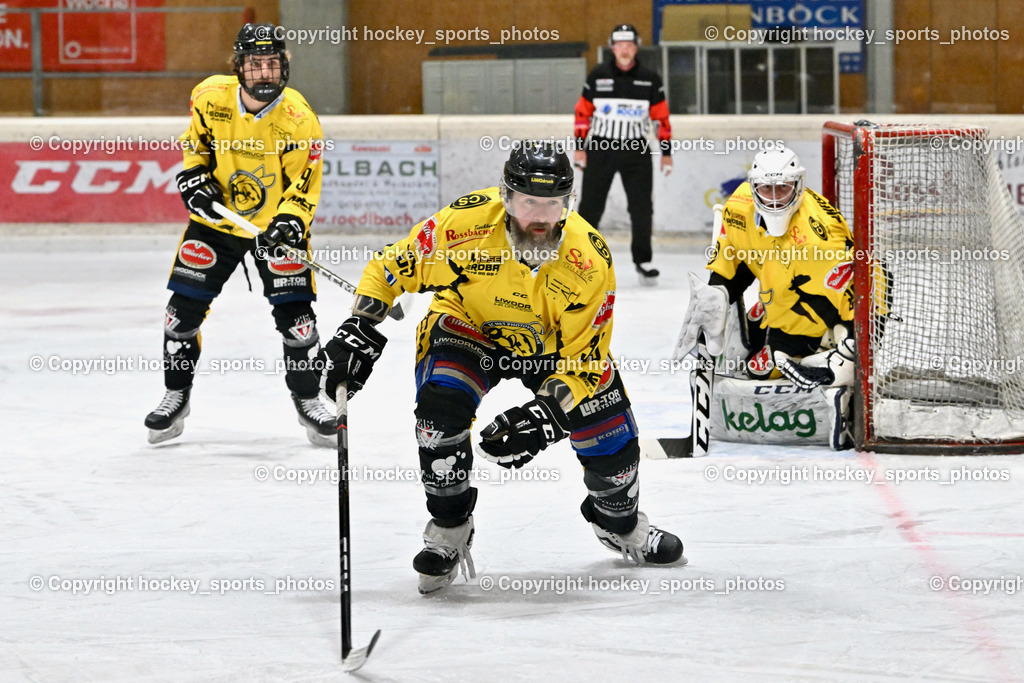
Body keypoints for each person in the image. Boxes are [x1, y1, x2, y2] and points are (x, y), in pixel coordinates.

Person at [317, 141, 685, 594]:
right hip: (469, 327)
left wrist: (548, 414)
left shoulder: (589, 260)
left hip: (553, 346)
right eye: (529, 201)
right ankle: (449, 529)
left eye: (552, 203)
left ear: (568, 203)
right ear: (506, 198)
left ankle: (620, 524)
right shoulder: (464, 226)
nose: (540, 216)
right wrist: (358, 329)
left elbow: (585, 359)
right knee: (439, 413)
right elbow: (391, 267)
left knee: (609, 436)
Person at [144, 23, 335, 447]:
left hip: (274, 230)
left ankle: (309, 399)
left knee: (298, 322)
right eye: (254, 64)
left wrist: (288, 223)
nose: (264, 73)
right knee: (180, 314)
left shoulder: (299, 119)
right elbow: (196, 144)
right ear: (238, 66)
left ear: (284, 66)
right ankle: (176, 395)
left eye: (272, 64)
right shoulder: (209, 97)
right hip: (215, 224)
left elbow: (304, 188)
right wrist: (193, 175)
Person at [675, 146, 857, 450]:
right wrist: (716, 296)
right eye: (766, 188)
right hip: (780, 296)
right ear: (753, 186)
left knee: (757, 370)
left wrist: (843, 355)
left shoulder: (821, 238)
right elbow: (736, 258)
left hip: (813, 315)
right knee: (745, 338)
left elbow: (854, 301)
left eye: (782, 188)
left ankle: (828, 354)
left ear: (798, 185)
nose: (773, 198)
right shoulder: (739, 206)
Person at [573, 23, 673, 285]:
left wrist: (666, 152)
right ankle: (579, 258)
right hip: (600, 148)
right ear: (612, 48)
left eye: (629, 45)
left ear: (636, 48)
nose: (624, 50)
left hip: (636, 150)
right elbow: (583, 113)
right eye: (619, 46)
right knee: (590, 206)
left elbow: (661, 119)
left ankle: (643, 261)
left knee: (642, 208)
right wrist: (580, 147)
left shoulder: (650, 78)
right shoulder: (598, 75)